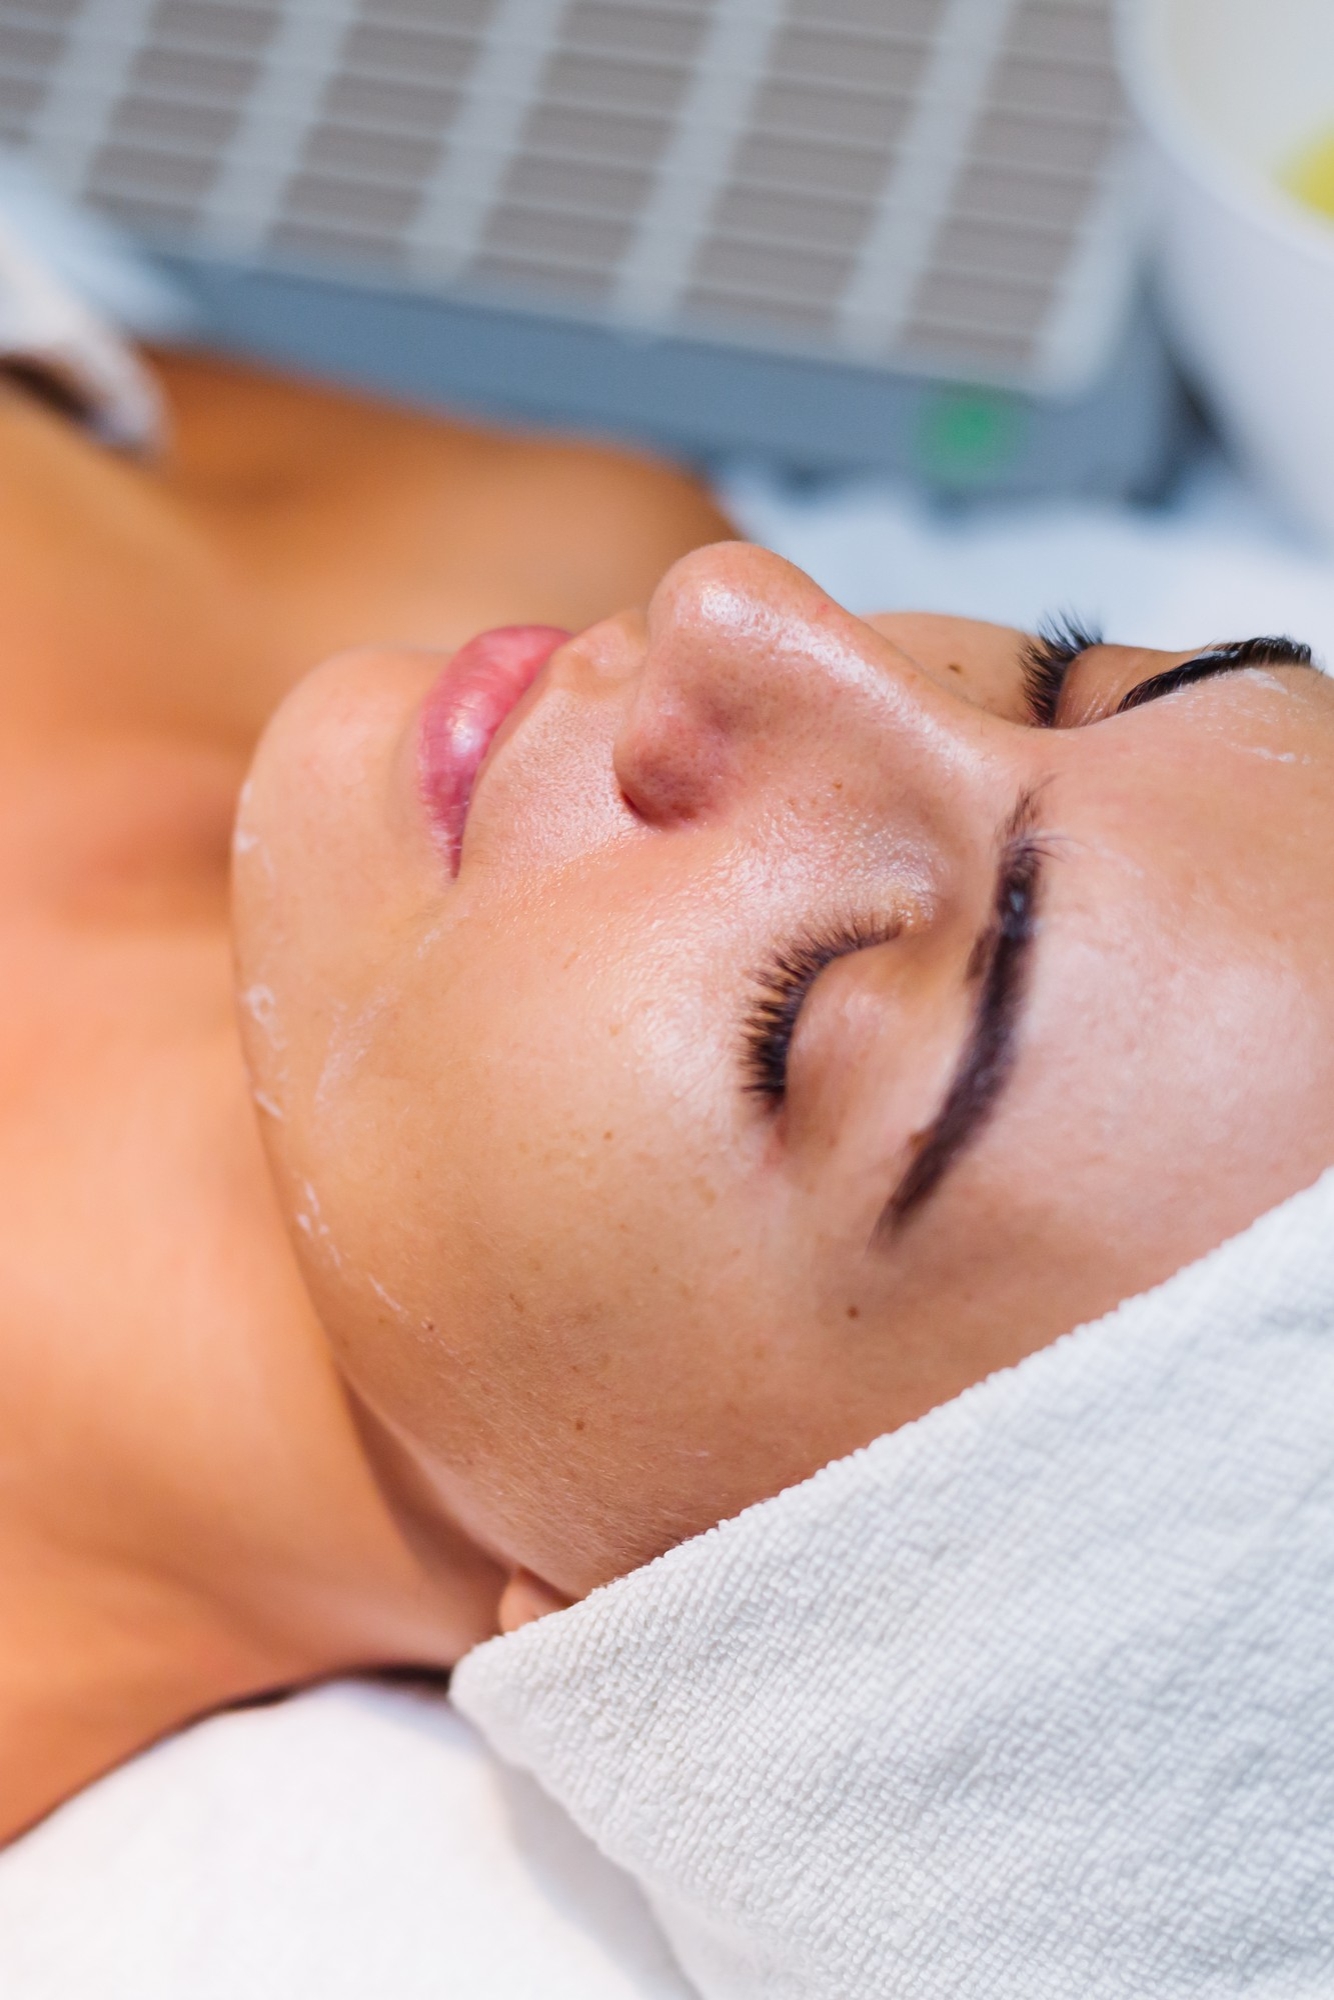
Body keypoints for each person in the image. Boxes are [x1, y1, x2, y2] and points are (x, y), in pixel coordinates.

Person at [4, 339, 1333, 1850]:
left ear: (659, 1623)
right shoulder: (531, 540)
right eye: (1066, 676)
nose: (736, 605)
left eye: (817, 995)